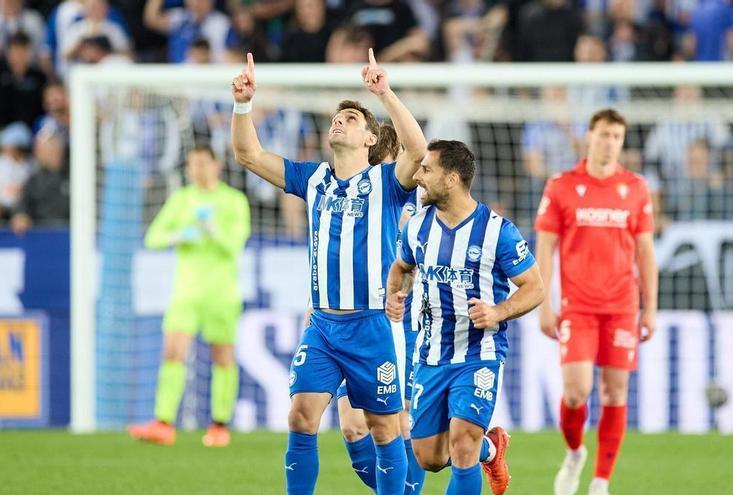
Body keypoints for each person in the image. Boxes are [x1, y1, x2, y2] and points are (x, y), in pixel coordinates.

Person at [231, 49, 426, 495]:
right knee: (301, 415)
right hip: (322, 325)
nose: (339, 122)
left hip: (372, 324)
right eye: (337, 118)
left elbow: (418, 149)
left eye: (352, 119)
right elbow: (248, 153)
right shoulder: (312, 178)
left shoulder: (386, 184)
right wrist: (244, 104)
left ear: (371, 140)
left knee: (382, 429)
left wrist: (384, 93)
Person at [386, 139, 545, 495]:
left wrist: (498, 311)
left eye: (426, 169)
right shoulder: (417, 226)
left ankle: (477, 446)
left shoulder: (497, 231)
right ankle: (492, 448)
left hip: (479, 354)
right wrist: (396, 295)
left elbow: (535, 287)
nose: (417, 175)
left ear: (452, 178)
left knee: (462, 442)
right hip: (430, 354)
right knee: (428, 456)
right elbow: (402, 267)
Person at [534, 108, 658, 495]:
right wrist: (543, 304)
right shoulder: (561, 185)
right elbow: (545, 250)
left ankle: (601, 482)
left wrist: (650, 307)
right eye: (604, 134)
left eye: (617, 136)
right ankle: (574, 454)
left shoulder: (635, 187)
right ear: (589, 136)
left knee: (615, 391)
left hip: (622, 307)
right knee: (576, 391)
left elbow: (646, 252)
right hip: (578, 307)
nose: (609, 143)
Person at [321, 124, 427, 493]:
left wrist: (405, 285)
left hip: (407, 326)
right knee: (352, 428)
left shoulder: (415, 199)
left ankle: (486, 449)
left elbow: (418, 259)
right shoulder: (349, 196)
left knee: (407, 428)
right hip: (357, 324)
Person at [127, 145, 250, 448]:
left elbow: (235, 245)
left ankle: (220, 425)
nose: (196, 170)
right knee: (172, 353)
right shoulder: (181, 200)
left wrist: (212, 231)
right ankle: (163, 422)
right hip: (186, 292)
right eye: (191, 165)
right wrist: (179, 235)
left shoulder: (234, 201)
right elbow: (152, 238)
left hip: (221, 293)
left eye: (202, 164)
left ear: (216, 165)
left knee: (222, 357)